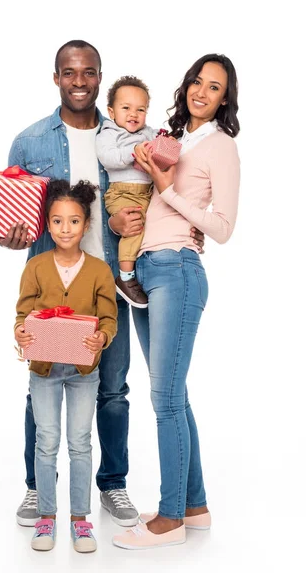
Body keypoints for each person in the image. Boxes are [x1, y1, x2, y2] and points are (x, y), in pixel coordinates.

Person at [0, 40, 205, 528]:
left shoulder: (127, 134)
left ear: (99, 78)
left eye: (87, 73)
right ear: (56, 76)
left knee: (113, 389)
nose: (78, 81)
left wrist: (180, 227)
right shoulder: (30, 141)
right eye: (69, 72)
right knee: (41, 382)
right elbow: (11, 218)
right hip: (49, 290)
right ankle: (36, 488)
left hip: (109, 287)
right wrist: (9, 238)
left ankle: (113, 484)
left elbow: (162, 188)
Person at [112, 53, 241, 550]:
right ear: (186, 86)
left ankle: (170, 519)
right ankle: (195, 506)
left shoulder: (222, 147)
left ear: (225, 98)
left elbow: (224, 228)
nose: (202, 92)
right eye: (196, 82)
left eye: (214, 87)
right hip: (144, 273)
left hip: (177, 272)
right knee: (174, 394)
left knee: (164, 398)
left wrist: (169, 191)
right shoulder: (172, 138)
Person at [15, 179, 117, 552]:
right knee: (47, 442)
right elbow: (23, 313)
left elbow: (108, 319)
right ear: (47, 224)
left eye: (74, 222)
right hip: (43, 369)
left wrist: (101, 339)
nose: (65, 229)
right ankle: (46, 517)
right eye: (57, 221)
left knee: (79, 443)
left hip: (83, 372)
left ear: (86, 225)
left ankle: (80, 519)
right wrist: (22, 333)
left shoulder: (99, 271)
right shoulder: (37, 267)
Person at [96, 76, 157, 309]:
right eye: (126, 108)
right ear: (111, 112)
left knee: (155, 226)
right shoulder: (109, 134)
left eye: (140, 109)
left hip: (147, 192)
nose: (134, 114)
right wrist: (134, 151)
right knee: (133, 227)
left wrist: (163, 146)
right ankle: (125, 277)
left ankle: (143, 270)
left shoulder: (148, 133)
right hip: (121, 194)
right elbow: (108, 158)